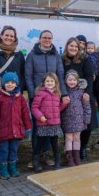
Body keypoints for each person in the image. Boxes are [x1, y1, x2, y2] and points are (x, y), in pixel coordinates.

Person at [24, 29, 63, 165]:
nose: (47, 40)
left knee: (50, 126)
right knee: (38, 127)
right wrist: (32, 93)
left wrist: (62, 94)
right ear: (40, 39)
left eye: (49, 38)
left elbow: (60, 75)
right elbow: (28, 76)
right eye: (44, 37)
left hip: (52, 97)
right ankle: (35, 155)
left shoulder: (56, 55)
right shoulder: (32, 55)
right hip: (38, 97)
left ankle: (46, 155)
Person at [0, 72, 31, 180]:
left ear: (16, 84)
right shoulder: (0, 98)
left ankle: (12, 167)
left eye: (12, 82)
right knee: (4, 150)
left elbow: (25, 112)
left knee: (13, 149)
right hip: (3, 130)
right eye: (7, 82)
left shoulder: (20, 98)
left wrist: (28, 126)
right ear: (4, 84)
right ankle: (3, 169)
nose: (10, 84)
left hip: (16, 129)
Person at [62, 37, 95, 159]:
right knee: (68, 124)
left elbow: (89, 77)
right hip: (67, 95)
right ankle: (69, 150)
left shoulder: (85, 59)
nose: (73, 48)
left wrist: (87, 93)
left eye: (76, 46)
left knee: (87, 123)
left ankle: (82, 148)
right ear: (67, 46)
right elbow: (60, 77)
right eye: (71, 46)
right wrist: (63, 94)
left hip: (83, 94)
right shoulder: (62, 60)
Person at [31, 73, 65, 171]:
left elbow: (58, 108)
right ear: (43, 82)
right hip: (43, 124)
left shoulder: (57, 93)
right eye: (47, 81)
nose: (50, 83)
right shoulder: (40, 93)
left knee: (54, 143)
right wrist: (40, 116)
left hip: (54, 124)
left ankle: (57, 162)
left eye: (52, 81)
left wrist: (64, 104)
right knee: (40, 144)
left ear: (55, 82)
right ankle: (35, 163)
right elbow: (34, 107)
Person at [62, 70, 91, 166]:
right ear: (66, 80)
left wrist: (86, 120)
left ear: (78, 81)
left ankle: (77, 156)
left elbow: (86, 106)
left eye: (74, 80)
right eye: (70, 79)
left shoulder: (81, 92)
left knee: (77, 138)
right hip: (67, 120)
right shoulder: (63, 92)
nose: (72, 82)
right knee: (69, 138)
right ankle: (69, 157)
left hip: (79, 120)